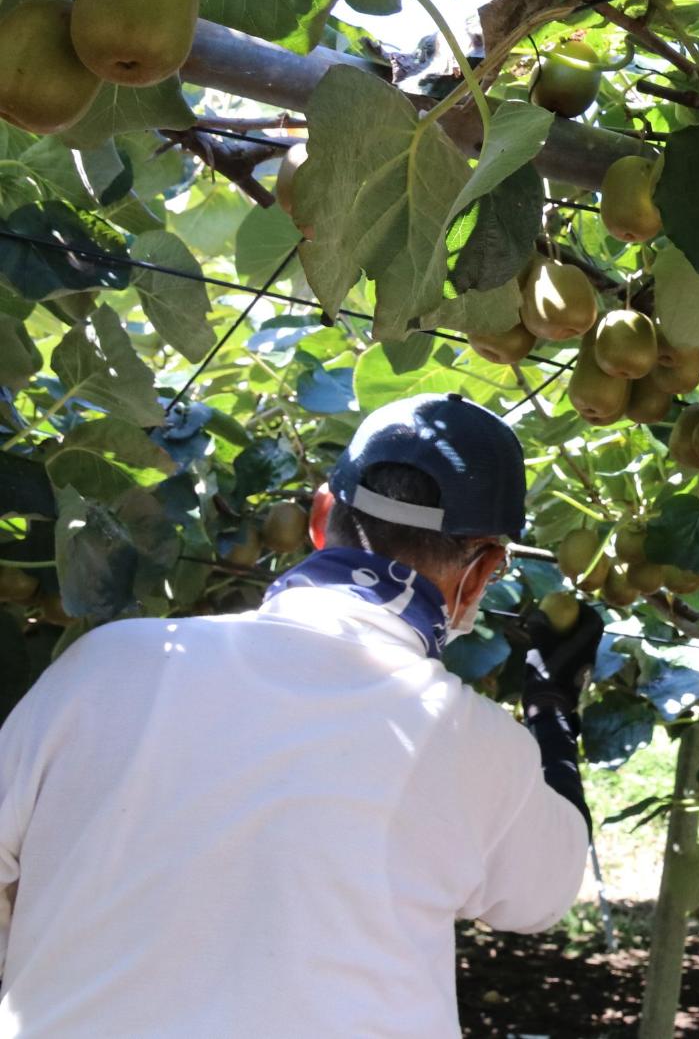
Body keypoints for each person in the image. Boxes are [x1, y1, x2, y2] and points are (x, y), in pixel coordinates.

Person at [0, 393, 605, 1037]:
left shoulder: (104, 665)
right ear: (481, 570)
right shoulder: (475, 742)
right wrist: (551, 710)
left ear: (320, 517)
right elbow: (543, 892)